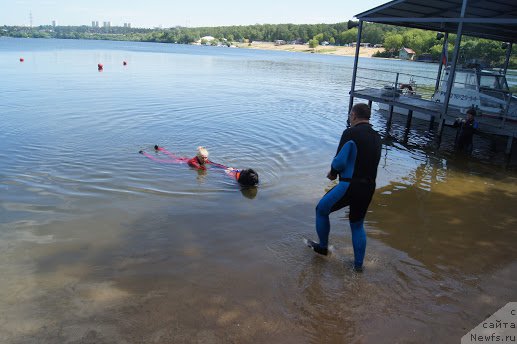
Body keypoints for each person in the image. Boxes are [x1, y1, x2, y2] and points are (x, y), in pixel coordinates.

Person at [306, 103, 382, 272]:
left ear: (354, 115)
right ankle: (358, 267)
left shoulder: (350, 133)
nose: (349, 118)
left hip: (349, 184)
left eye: (350, 115)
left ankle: (323, 247)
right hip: (369, 187)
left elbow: (339, 162)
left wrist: (332, 173)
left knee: (321, 209)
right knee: (357, 224)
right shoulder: (377, 137)